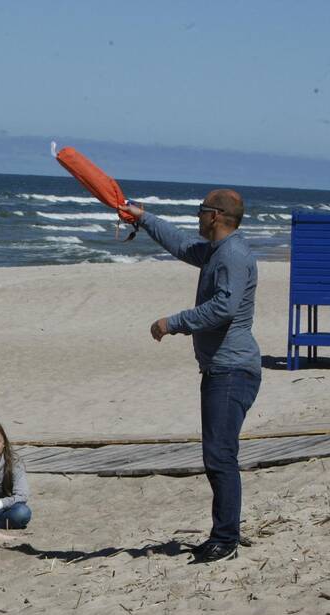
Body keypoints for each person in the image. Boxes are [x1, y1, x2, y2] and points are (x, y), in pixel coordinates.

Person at [122, 191, 260, 563]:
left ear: (215, 216)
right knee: (217, 453)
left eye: (200, 212)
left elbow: (224, 308)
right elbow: (182, 245)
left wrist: (174, 323)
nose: (197, 218)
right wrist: (143, 218)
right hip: (221, 368)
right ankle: (223, 533)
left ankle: (226, 537)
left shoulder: (233, 255)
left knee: (220, 455)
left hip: (232, 370)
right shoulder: (217, 251)